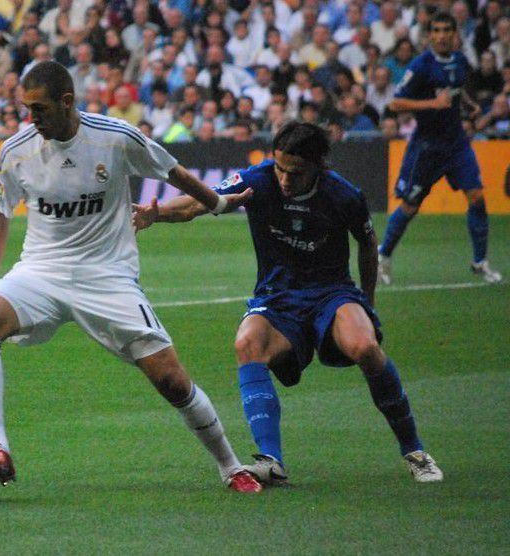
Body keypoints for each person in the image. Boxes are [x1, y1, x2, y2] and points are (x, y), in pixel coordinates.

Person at [0, 61, 262, 494]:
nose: (32, 118)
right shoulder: (16, 150)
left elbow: (172, 171)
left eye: (39, 109)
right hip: (41, 271)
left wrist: (215, 204)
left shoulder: (116, 137)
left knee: (171, 379)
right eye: (26, 108)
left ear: (67, 101)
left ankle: (230, 466)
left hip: (108, 277)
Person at [133, 122, 444, 486]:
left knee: (365, 346)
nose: (283, 178)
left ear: (318, 166)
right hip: (277, 298)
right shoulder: (257, 179)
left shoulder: (344, 195)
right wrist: (157, 214)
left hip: (332, 295)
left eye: (294, 172)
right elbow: (198, 202)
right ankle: (271, 461)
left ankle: (415, 451)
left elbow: (366, 245)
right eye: (279, 167)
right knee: (246, 343)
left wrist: (367, 304)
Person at [377, 13, 502, 285]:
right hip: (426, 147)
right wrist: (432, 105)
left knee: (477, 196)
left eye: (447, 30)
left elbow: (455, 90)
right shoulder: (421, 65)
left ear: (455, 34)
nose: (442, 35)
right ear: (430, 35)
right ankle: (383, 256)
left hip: (456, 144)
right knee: (410, 206)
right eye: (437, 30)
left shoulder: (459, 60)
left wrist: (467, 105)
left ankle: (480, 261)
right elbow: (396, 103)